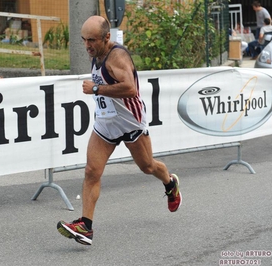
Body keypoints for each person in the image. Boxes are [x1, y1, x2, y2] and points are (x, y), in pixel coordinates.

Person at [56, 16, 182, 246]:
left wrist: (96, 88)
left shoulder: (118, 57)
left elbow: (130, 89)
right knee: (91, 170)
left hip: (130, 122)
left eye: (92, 40)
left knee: (148, 166)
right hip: (106, 123)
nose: (87, 45)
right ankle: (86, 226)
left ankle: (170, 183)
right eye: (84, 40)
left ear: (107, 37)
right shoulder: (97, 53)